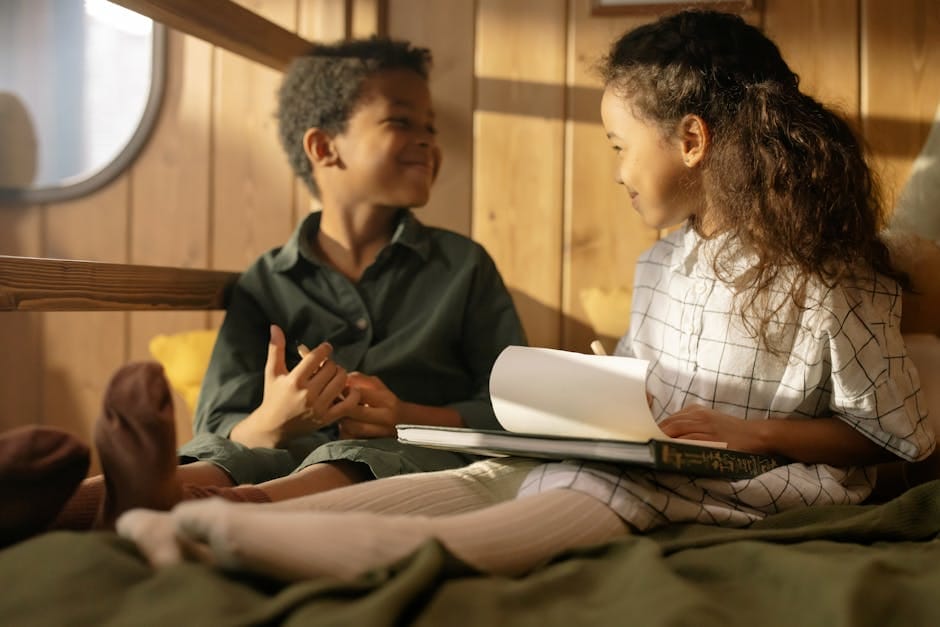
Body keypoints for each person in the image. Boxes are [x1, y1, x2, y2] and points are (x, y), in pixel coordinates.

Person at [14, 9, 938, 577]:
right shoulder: (662, 265)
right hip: (628, 460)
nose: (614, 168)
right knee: (479, 471)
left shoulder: (832, 277)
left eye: (621, 145)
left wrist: (752, 431)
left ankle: (201, 527)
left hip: (731, 480)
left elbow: (895, 432)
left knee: (517, 496)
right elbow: (621, 394)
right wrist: (603, 394)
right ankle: (148, 504)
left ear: (691, 141)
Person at [0, 37, 526, 543]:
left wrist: (406, 416)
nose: (428, 141)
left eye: (431, 128)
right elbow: (219, 419)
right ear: (324, 147)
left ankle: (162, 510)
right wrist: (273, 419)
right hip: (277, 452)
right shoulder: (268, 280)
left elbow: (518, 406)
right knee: (236, 452)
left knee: (365, 460)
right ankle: (66, 504)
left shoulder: (463, 266)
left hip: (412, 455)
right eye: (401, 121)